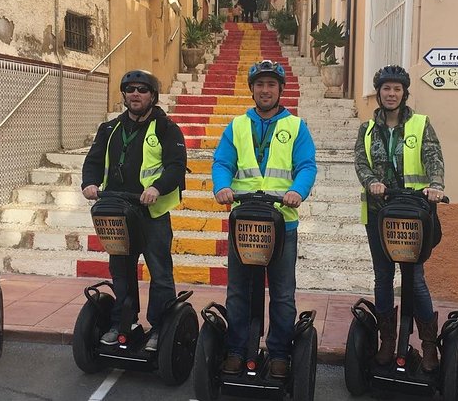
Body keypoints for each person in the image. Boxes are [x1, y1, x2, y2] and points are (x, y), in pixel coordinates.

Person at [212, 60, 317, 378]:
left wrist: (297, 191)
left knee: (283, 292)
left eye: (271, 85)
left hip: (282, 220)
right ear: (252, 89)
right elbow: (222, 161)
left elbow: (306, 166)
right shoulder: (237, 125)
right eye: (260, 84)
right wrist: (222, 186)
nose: (265, 90)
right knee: (238, 289)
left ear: (281, 90)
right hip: (244, 220)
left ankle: (281, 352)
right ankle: (236, 348)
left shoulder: (296, 127)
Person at [81, 70, 187, 351]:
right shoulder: (109, 128)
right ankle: (122, 323)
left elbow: (176, 166)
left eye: (142, 89)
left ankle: (160, 326)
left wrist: (157, 188)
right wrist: (89, 183)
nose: (135, 94)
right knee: (121, 271)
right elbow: (92, 161)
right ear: (124, 95)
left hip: (152, 214)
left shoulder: (166, 128)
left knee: (160, 272)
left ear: (153, 95)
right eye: (130, 89)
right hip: (117, 212)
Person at [354, 65, 445, 372]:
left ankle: (429, 345)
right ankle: (387, 341)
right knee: (383, 276)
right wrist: (371, 183)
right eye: (385, 89)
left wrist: (436, 186)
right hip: (379, 214)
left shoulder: (421, 124)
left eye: (396, 89)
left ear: (404, 93)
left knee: (415, 279)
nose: (391, 94)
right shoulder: (366, 129)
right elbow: (361, 164)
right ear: (378, 93)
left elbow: (433, 157)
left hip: (414, 214)